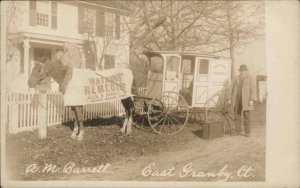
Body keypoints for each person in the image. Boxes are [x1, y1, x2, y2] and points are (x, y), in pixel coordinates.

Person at [227, 64, 256, 137]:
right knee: (237, 115)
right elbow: (230, 88)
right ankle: (237, 131)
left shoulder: (250, 78)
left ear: (246, 71)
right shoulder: (236, 78)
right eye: (241, 71)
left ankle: (247, 132)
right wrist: (229, 98)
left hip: (246, 100)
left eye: (244, 71)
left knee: (247, 116)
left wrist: (251, 99)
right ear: (239, 71)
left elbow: (253, 89)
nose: (243, 72)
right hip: (237, 99)